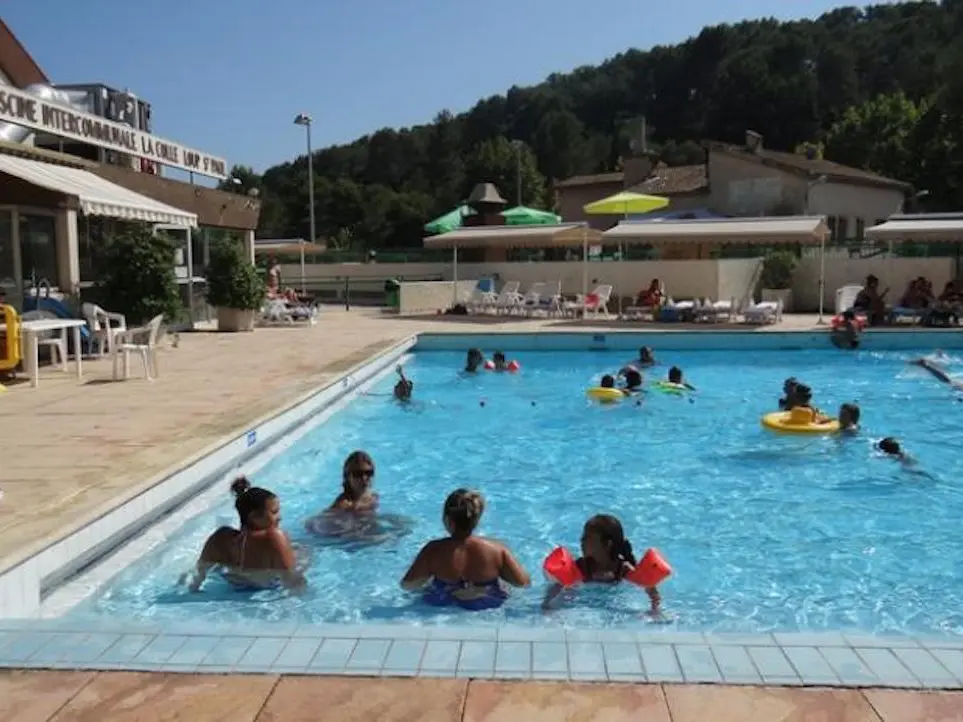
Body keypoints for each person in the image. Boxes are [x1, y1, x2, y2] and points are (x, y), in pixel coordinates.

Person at [401, 489, 530, 609]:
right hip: (487, 602)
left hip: (443, 600)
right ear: (477, 519)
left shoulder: (433, 550)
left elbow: (408, 585)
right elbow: (523, 583)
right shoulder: (497, 549)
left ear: (447, 520)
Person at [186, 477, 302, 591]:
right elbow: (295, 583)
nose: (280, 518)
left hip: (232, 586)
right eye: (274, 512)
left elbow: (195, 580)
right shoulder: (274, 536)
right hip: (267, 589)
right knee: (303, 550)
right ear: (254, 516)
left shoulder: (219, 538)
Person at [542, 514, 661, 615]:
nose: (581, 541)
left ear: (607, 544)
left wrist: (654, 610)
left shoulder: (621, 569)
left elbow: (649, 587)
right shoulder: (582, 566)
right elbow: (557, 586)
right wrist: (547, 605)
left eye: (587, 538)